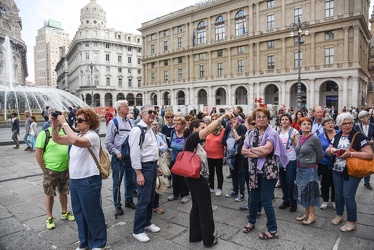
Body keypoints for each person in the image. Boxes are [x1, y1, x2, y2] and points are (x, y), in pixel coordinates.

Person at [51, 108, 107, 250]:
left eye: (80, 120)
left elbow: (75, 141)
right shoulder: (77, 134)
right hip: (75, 181)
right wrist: (54, 125)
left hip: (89, 180)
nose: (76, 121)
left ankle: (98, 243)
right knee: (79, 213)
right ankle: (85, 242)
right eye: (76, 119)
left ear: (89, 123)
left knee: (92, 213)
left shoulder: (92, 136)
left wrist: (64, 123)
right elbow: (56, 139)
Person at [184, 111, 232, 247]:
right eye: (201, 127)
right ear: (194, 129)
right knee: (205, 209)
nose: (204, 129)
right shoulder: (192, 138)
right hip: (197, 179)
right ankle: (208, 239)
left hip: (194, 178)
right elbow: (210, 129)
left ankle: (195, 236)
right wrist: (222, 117)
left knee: (196, 207)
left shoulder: (195, 142)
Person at [241, 107, 288, 239]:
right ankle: (251, 222)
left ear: (268, 118)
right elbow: (242, 151)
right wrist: (257, 152)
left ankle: (273, 230)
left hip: (269, 171)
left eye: (264, 116)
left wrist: (251, 150)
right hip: (254, 170)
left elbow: (267, 150)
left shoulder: (272, 133)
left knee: (266, 201)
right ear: (254, 119)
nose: (261, 119)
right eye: (258, 117)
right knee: (253, 198)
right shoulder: (250, 133)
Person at [326, 113, 373, 232]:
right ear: (340, 125)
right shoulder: (337, 135)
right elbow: (327, 151)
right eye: (345, 123)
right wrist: (332, 150)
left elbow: (369, 154)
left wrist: (351, 153)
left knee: (348, 196)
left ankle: (352, 222)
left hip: (352, 171)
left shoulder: (358, 136)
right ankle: (339, 215)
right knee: (338, 194)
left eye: (350, 123)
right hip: (337, 169)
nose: (348, 125)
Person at [35, 119, 75, 230]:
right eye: (55, 120)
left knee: (64, 192)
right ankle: (49, 217)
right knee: (49, 193)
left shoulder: (66, 132)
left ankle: (64, 211)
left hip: (65, 169)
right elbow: (38, 153)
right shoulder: (45, 134)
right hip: (50, 170)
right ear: (51, 121)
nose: (58, 122)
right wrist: (44, 169)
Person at [129, 105, 160, 243]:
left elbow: (151, 149)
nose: (153, 114)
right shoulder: (137, 130)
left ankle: (147, 222)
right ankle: (138, 230)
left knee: (151, 197)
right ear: (142, 114)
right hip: (144, 168)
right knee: (143, 200)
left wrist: (156, 166)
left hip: (152, 167)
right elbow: (134, 153)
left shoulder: (150, 128)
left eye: (155, 112)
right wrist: (138, 173)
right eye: (150, 112)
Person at [105, 100, 136, 215]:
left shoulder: (130, 122)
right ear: (119, 109)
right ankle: (117, 205)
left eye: (128, 106)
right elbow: (108, 142)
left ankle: (129, 200)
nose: (128, 108)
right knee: (117, 182)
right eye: (125, 106)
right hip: (118, 158)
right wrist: (117, 153)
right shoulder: (113, 123)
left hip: (129, 156)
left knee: (130, 180)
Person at [294, 117, 324, 225]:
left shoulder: (314, 138)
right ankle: (306, 213)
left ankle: (312, 215)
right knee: (303, 190)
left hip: (310, 169)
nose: (306, 125)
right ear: (300, 126)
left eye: (308, 124)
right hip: (300, 168)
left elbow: (320, 154)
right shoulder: (301, 137)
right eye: (304, 124)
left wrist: (312, 163)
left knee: (310, 191)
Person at [223, 112, 247, 202]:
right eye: (231, 118)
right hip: (230, 154)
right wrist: (230, 142)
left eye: (235, 118)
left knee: (240, 174)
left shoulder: (242, 128)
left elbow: (240, 140)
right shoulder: (227, 128)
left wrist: (234, 129)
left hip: (240, 154)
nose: (233, 120)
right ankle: (234, 190)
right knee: (233, 173)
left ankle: (241, 193)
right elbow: (223, 140)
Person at [278, 114, 300, 212]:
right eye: (282, 119)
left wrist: (292, 139)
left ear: (290, 121)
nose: (284, 121)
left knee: (290, 181)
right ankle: (286, 200)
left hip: (291, 158)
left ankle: (293, 201)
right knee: (282, 181)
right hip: (280, 159)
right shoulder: (278, 132)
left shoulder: (294, 131)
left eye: (286, 119)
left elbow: (298, 146)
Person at [167, 116, 190, 203]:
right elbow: (171, 145)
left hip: (184, 160)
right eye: (175, 123)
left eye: (178, 123)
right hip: (174, 159)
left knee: (183, 178)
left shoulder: (187, 133)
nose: (175, 125)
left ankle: (185, 195)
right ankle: (175, 193)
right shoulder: (173, 132)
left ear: (183, 125)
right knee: (175, 177)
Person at [318, 117, 337, 210]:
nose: (330, 124)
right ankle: (325, 200)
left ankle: (334, 200)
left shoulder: (339, 134)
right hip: (324, 162)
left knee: (335, 182)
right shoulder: (320, 136)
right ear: (323, 126)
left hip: (337, 162)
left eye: (331, 123)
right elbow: (319, 150)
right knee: (325, 182)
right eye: (327, 123)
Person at [205, 114, 225, 196]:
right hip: (209, 155)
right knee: (210, 172)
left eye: (216, 119)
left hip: (218, 155)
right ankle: (211, 187)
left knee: (219, 172)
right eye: (212, 119)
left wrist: (225, 156)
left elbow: (225, 144)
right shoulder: (209, 130)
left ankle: (220, 188)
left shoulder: (223, 130)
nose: (214, 121)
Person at [354, 110, 374, 190]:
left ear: (368, 117)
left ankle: (367, 182)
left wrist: (373, 141)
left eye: (363, 117)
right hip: (359, 147)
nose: (362, 119)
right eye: (360, 118)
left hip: (369, 147)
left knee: (367, 163)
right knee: (359, 163)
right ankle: (357, 178)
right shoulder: (357, 126)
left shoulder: (373, 126)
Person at [151, 120, 168, 214]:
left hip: (157, 162)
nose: (154, 127)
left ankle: (155, 205)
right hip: (148, 164)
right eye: (152, 125)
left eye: (155, 125)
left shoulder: (158, 136)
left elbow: (165, 147)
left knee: (157, 183)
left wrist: (158, 148)